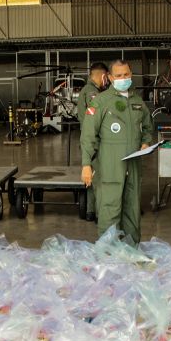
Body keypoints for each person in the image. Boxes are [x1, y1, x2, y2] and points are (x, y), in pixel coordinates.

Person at [81, 59, 152, 245]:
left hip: (133, 164)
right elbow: (88, 135)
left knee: (132, 209)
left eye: (126, 75)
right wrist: (86, 165)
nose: (123, 78)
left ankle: (131, 250)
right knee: (109, 209)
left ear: (131, 75)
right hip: (110, 166)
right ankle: (107, 253)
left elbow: (147, 126)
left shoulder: (137, 101)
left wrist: (146, 142)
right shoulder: (101, 102)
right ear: (110, 78)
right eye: (119, 76)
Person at [77, 62, 109, 222]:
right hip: (94, 142)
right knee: (98, 178)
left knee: (91, 176)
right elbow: (95, 120)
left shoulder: (87, 90)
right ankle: (97, 213)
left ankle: (90, 211)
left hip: (89, 140)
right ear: (103, 76)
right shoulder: (92, 93)